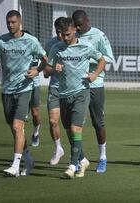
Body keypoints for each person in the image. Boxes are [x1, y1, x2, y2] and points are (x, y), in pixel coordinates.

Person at [46, 17, 106, 179]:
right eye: (61, 34)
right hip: (63, 95)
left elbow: (102, 60)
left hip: (81, 92)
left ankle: (72, 165)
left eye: (67, 34)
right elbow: (46, 70)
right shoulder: (57, 48)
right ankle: (83, 160)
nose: (64, 38)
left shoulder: (86, 46)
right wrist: (53, 69)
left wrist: (94, 74)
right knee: (70, 133)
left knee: (75, 129)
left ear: (74, 30)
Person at [0, 10, 47, 177]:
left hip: (25, 89)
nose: (10, 25)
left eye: (13, 22)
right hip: (7, 90)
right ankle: (28, 159)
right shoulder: (0, 41)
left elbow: (46, 60)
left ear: (20, 22)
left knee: (18, 126)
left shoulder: (31, 41)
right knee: (14, 129)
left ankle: (15, 165)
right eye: (8, 22)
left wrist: (37, 71)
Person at [72, 10, 114, 173]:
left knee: (98, 123)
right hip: (77, 85)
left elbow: (109, 57)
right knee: (75, 125)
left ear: (87, 21)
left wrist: (88, 59)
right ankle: (76, 159)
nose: (78, 28)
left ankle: (102, 157)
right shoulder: (72, 36)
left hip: (95, 84)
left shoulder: (99, 35)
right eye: (75, 26)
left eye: (80, 25)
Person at [44, 17, 66, 165]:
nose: (60, 36)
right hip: (55, 87)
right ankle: (58, 148)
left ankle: (78, 156)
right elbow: (45, 71)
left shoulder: (77, 43)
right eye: (57, 32)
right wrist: (54, 69)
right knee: (53, 121)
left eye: (62, 32)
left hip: (72, 90)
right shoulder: (51, 44)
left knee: (72, 127)